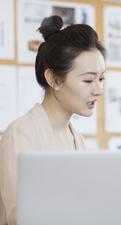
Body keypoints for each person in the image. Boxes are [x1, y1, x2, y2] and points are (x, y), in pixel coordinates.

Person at [0, 15, 106, 225]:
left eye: (101, 78)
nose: (99, 90)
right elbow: (19, 217)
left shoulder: (77, 139)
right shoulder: (21, 133)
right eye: (88, 80)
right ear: (54, 79)